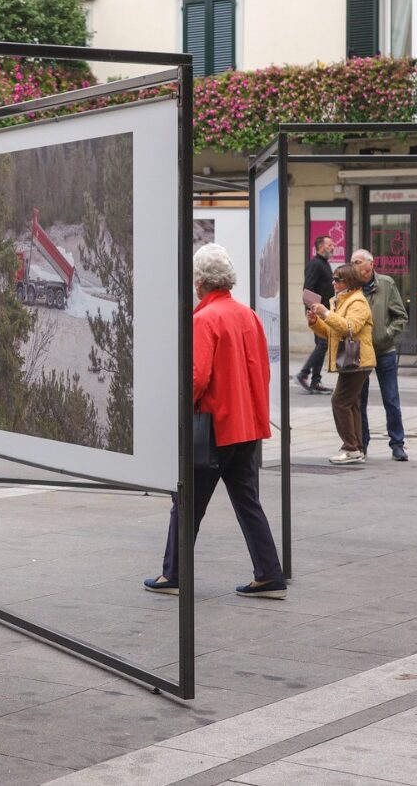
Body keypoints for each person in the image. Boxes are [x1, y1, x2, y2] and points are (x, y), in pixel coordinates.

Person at [144, 244, 287, 599]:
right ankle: (270, 575)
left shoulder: (204, 320)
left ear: (200, 282)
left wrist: (179, 411)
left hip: (215, 427)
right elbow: (262, 370)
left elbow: (196, 376)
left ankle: (173, 574)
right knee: (247, 501)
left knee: (186, 502)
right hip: (247, 426)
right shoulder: (249, 315)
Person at [307, 264, 374, 464]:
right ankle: (357, 447)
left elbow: (350, 328)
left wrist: (326, 313)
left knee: (340, 401)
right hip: (351, 360)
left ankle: (351, 448)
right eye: (334, 279)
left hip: (358, 360)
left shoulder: (358, 301)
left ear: (350, 281)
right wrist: (316, 322)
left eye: (338, 280)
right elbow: (332, 333)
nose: (333, 283)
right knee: (351, 403)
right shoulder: (341, 301)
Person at [352, 249, 410, 462]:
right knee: (360, 400)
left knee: (391, 399)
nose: (355, 265)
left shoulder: (386, 284)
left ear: (371, 264)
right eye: (352, 262)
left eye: (358, 262)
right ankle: (362, 443)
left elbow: (401, 316)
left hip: (384, 351)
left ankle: (397, 444)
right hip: (360, 353)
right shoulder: (351, 286)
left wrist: (386, 335)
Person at [294, 236, 335, 395]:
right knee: (324, 343)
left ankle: (315, 381)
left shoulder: (324, 264)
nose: (333, 247)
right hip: (317, 312)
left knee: (322, 344)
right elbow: (308, 288)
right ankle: (304, 374)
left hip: (323, 311)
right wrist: (312, 310)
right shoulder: (315, 264)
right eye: (330, 245)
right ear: (320, 247)